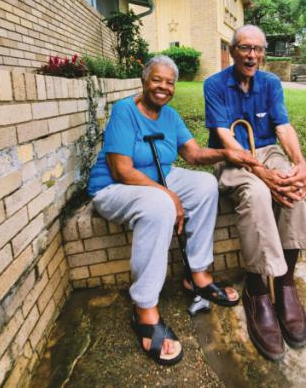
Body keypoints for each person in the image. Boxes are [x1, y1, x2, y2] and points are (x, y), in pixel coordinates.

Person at [88, 56, 259, 365]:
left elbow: (193, 154)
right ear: (143, 80)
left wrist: (227, 152)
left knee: (205, 185)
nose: (163, 87)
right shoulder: (125, 111)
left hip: (157, 178)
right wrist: (170, 197)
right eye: (157, 80)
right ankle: (145, 309)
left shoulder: (170, 116)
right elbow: (122, 170)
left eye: (169, 82)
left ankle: (198, 275)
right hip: (114, 188)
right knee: (159, 205)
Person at [204, 25, 306, 361]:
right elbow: (225, 137)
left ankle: (285, 286)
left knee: (292, 185)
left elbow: (283, 127)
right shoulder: (214, 85)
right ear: (232, 50)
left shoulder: (270, 83)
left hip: (268, 150)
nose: (252, 55)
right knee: (256, 193)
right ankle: (256, 291)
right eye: (245, 48)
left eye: (258, 49)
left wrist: (300, 164)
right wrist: (261, 173)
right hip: (233, 158)